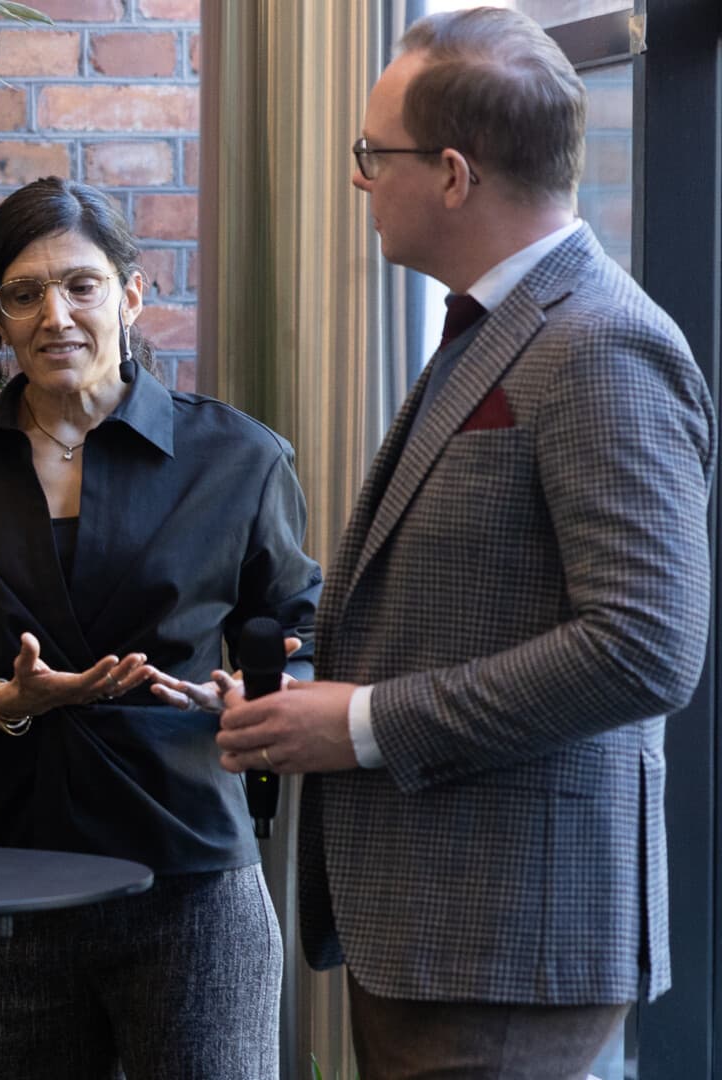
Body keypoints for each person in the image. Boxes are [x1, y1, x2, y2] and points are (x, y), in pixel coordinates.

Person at [215, 9, 715, 1077]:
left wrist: (362, 724)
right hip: (442, 931)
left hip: (511, 940)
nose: (360, 181)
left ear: (452, 173)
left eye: (372, 155)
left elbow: (646, 646)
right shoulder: (495, 323)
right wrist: (316, 682)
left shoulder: (600, 344)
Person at [0, 177, 322, 1080]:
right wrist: (3, 700)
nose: (54, 316)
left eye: (81, 286)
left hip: (189, 878)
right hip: (6, 886)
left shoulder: (237, 458)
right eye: (23, 295)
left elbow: (304, 643)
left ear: (132, 294)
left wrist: (251, 697)